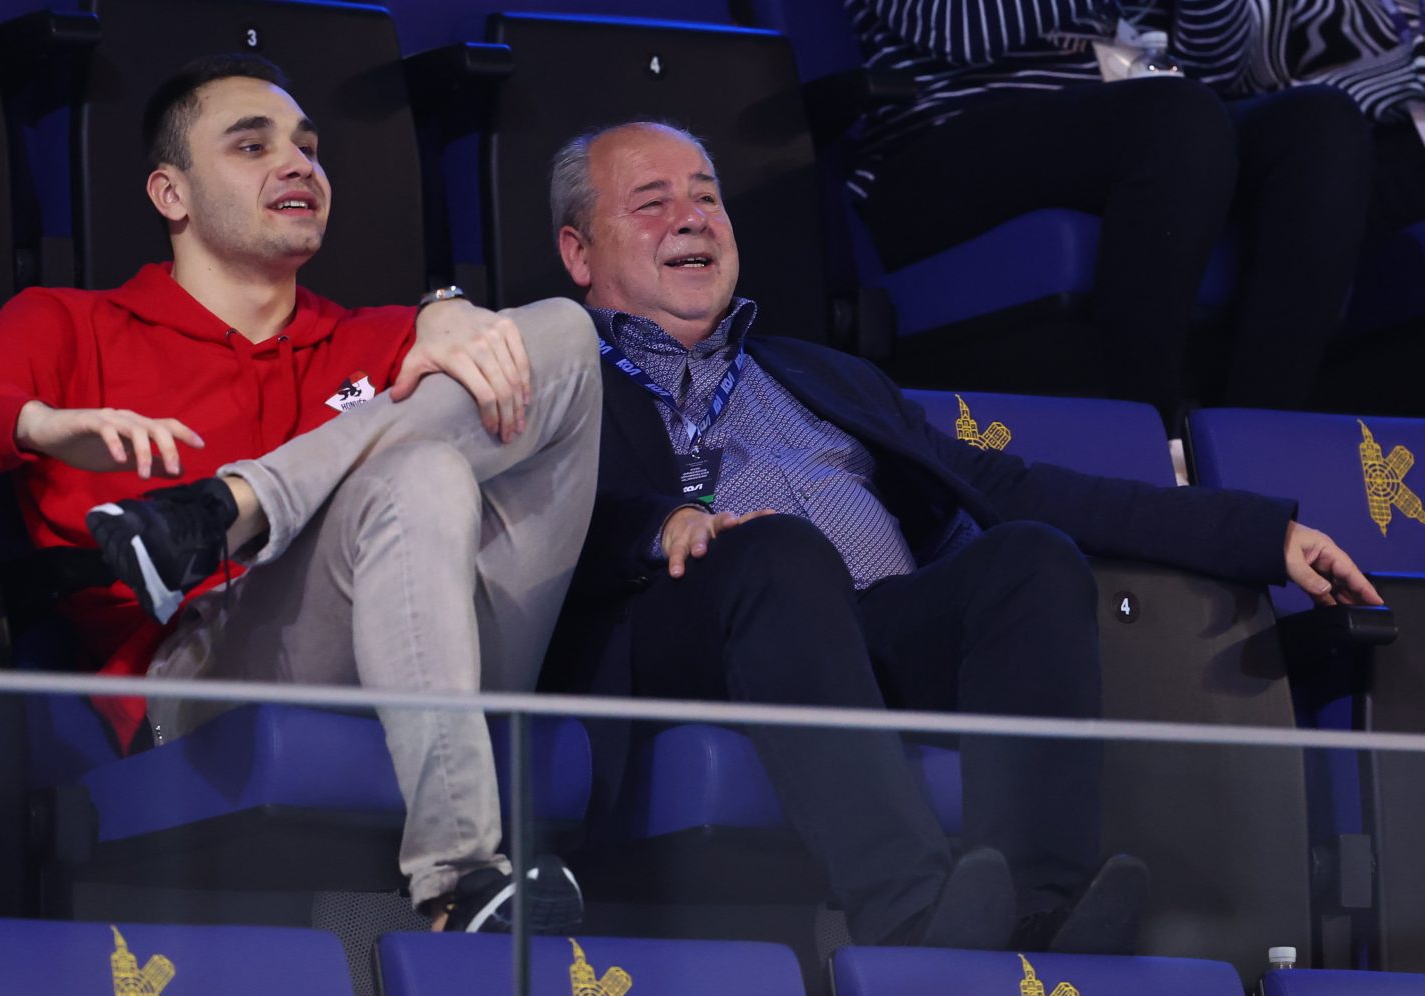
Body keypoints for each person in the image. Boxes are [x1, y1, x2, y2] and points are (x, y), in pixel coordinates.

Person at [544, 120, 1380, 952]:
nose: (693, 218)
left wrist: (1261, 535)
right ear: (579, 254)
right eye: (652, 204)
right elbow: (527, 517)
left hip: (864, 632)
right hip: (695, 629)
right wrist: (661, 522)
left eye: (707, 197)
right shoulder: (555, 373)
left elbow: (1015, 487)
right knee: (781, 551)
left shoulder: (823, 374)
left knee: (1029, 558)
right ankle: (907, 912)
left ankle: (1040, 906)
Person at [0, 55, 602, 934]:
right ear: (172, 194)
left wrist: (446, 308)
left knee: (566, 331)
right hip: (206, 672)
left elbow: (526, 361)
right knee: (419, 471)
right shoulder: (73, 324)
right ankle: (461, 877)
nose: (299, 164)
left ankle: (230, 506)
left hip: (450, 641)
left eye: (308, 146)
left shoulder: (380, 338)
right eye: (252, 145)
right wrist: (37, 423)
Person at [845, 0, 1376, 418]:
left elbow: (1217, 68)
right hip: (949, 140)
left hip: (1136, 120)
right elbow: (955, 28)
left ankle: (1255, 445)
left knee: (1321, 127)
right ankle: (1146, 439)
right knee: (1177, 122)